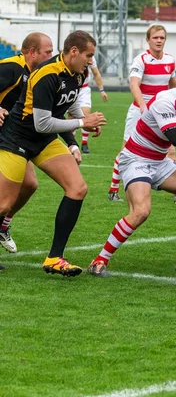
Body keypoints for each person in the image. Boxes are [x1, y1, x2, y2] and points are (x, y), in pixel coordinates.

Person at [88, 62, 176, 277]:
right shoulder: (166, 100)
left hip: (160, 162)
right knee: (141, 212)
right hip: (136, 159)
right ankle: (99, 260)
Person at [0, 30, 106, 276]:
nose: (91, 61)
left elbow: (68, 105)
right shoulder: (46, 75)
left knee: (77, 188)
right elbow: (42, 123)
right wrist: (82, 124)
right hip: (18, 138)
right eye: (89, 55)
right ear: (73, 52)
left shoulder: (79, 73)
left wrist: (83, 120)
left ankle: (55, 258)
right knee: (4, 204)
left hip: (44, 140)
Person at [0, 32, 75, 255]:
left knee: (30, 185)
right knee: (3, 201)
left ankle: (3, 226)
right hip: (9, 137)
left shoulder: (44, 76)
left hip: (16, 137)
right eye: (48, 51)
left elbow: (54, 114)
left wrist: (72, 142)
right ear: (32, 52)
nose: (52, 56)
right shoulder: (12, 68)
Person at [107, 24, 176, 202]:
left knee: (171, 149)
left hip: (161, 113)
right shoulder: (142, 60)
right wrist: (143, 108)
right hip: (140, 112)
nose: (159, 41)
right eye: (155, 37)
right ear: (148, 40)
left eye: (162, 38)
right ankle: (113, 189)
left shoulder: (170, 60)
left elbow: (173, 86)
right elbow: (134, 85)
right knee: (126, 150)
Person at [71, 56, 108, 154]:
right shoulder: (71, 54)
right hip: (71, 89)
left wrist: (102, 90)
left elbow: (96, 73)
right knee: (71, 119)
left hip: (84, 90)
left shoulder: (90, 57)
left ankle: (84, 143)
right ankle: (72, 144)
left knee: (86, 116)